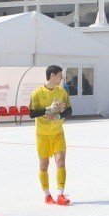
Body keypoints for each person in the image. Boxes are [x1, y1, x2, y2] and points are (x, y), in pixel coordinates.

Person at [29, 65, 72, 205]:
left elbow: (69, 110)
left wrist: (58, 115)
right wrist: (47, 109)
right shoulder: (37, 93)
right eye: (60, 75)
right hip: (42, 134)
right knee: (44, 165)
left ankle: (60, 194)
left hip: (58, 133)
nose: (62, 78)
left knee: (61, 162)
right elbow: (32, 113)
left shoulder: (62, 91)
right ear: (52, 76)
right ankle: (47, 195)